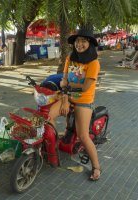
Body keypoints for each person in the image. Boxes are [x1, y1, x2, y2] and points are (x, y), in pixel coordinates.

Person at [48, 25, 101, 181]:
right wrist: (65, 99)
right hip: (67, 97)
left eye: (84, 41)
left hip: (84, 101)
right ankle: (53, 150)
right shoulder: (70, 58)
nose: (80, 44)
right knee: (48, 117)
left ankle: (97, 166)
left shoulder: (93, 63)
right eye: (78, 41)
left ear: (90, 43)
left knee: (84, 136)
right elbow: (63, 82)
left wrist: (68, 86)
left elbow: (85, 88)